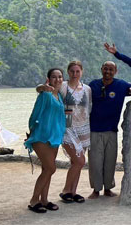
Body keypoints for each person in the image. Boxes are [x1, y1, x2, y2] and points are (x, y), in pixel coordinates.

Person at [88, 61, 131, 199]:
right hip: (94, 130)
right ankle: (96, 190)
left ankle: (108, 188)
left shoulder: (121, 85)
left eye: (111, 69)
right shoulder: (92, 85)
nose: (108, 71)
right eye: (106, 69)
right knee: (95, 161)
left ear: (116, 71)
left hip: (112, 130)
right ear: (101, 69)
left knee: (110, 161)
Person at [37, 60, 92, 203]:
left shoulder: (87, 89)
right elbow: (45, 90)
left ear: (82, 72)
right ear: (68, 72)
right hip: (67, 128)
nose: (75, 74)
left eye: (77, 71)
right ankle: (66, 190)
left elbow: (88, 108)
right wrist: (41, 87)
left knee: (77, 163)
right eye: (72, 71)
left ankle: (73, 192)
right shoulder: (62, 86)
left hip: (84, 127)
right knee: (80, 161)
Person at [24, 68, 67, 213]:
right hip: (41, 136)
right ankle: (34, 200)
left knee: (46, 169)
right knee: (51, 168)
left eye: (60, 77)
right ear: (48, 79)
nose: (57, 79)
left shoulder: (58, 96)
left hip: (54, 137)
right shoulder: (45, 94)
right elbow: (35, 114)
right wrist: (31, 131)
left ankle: (44, 200)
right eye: (54, 77)